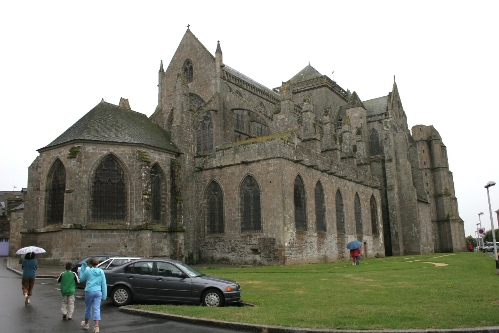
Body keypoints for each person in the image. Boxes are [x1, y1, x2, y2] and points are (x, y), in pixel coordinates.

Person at [79, 258, 107, 332]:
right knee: (97, 308)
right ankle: (96, 326)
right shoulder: (101, 272)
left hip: (89, 291)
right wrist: (104, 295)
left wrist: (83, 268)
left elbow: (81, 279)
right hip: (98, 291)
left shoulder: (88, 271)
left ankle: (86, 324)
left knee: (88, 308)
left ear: (90, 264)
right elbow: (103, 284)